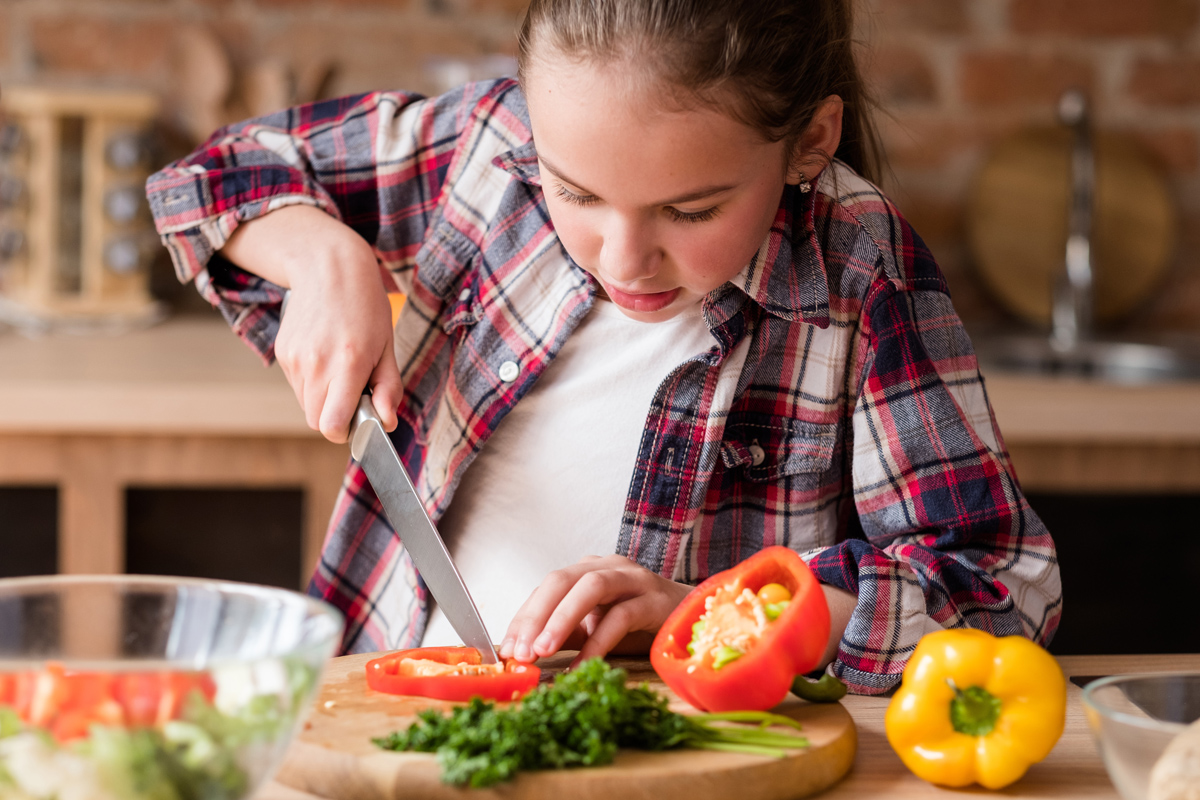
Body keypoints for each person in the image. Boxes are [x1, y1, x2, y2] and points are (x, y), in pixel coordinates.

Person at [147, 0, 1061, 694]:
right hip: (382, 709)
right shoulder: (486, 150)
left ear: (809, 142)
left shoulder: (860, 265)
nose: (621, 259)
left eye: (690, 209)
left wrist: (727, 614)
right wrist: (319, 253)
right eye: (574, 191)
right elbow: (208, 177)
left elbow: (1001, 591)